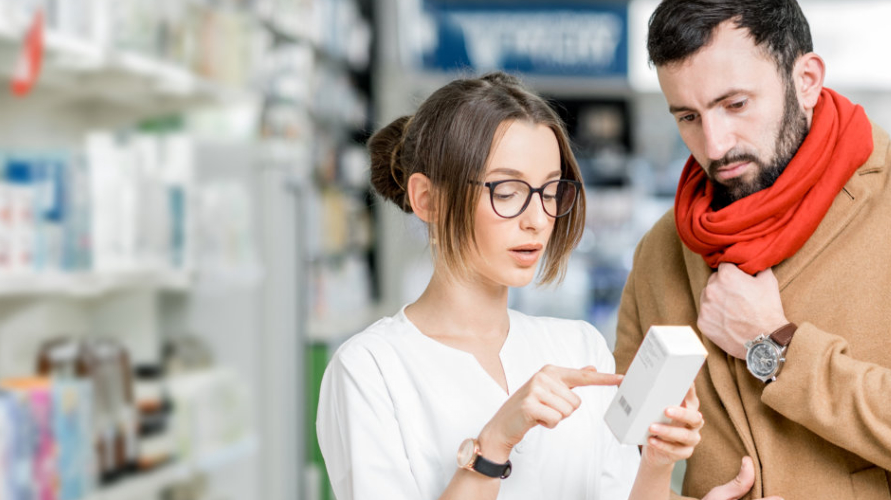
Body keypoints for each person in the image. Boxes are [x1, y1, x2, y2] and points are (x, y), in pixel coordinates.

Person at [614, 1, 891, 498]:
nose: (714, 146)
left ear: (806, 80)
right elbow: (619, 457)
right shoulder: (662, 248)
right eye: (689, 116)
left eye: (735, 105)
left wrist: (773, 346)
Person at [316, 72, 761, 500]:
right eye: (507, 192)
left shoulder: (579, 350)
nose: (537, 219)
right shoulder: (370, 370)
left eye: (550, 192)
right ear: (427, 199)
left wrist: (659, 461)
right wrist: (494, 443)